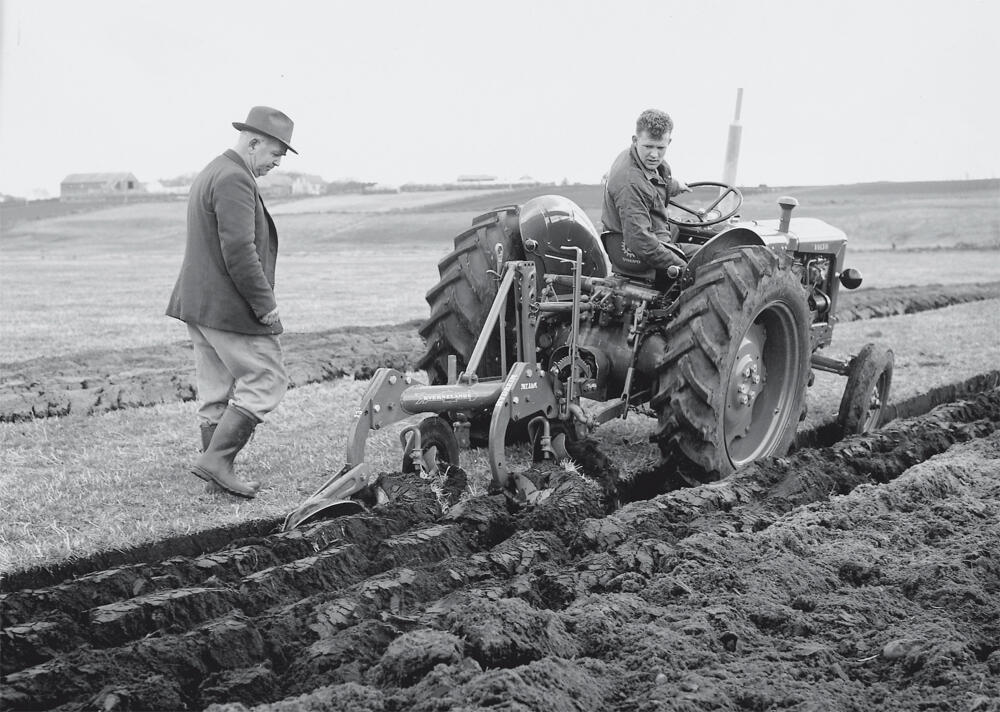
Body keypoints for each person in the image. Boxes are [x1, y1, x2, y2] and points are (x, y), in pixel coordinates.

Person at [166, 106, 297, 498]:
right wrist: (265, 304)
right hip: (226, 307)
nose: (277, 162)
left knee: (215, 389)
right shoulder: (234, 178)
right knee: (268, 379)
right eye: (276, 153)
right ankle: (217, 461)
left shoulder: (213, 170)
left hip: (200, 305)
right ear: (254, 142)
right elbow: (239, 250)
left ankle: (216, 478)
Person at [601, 108, 691, 278]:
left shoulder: (641, 162)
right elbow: (640, 241)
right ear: (635, 140)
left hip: (656, 235)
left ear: (669, 142)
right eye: (648, 146)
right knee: (715, 256)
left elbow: (655, 185)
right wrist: (685, 268)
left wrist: (677, 186)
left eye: (660, 147)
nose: (654, 155)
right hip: (640, 251)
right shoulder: (630, 183)